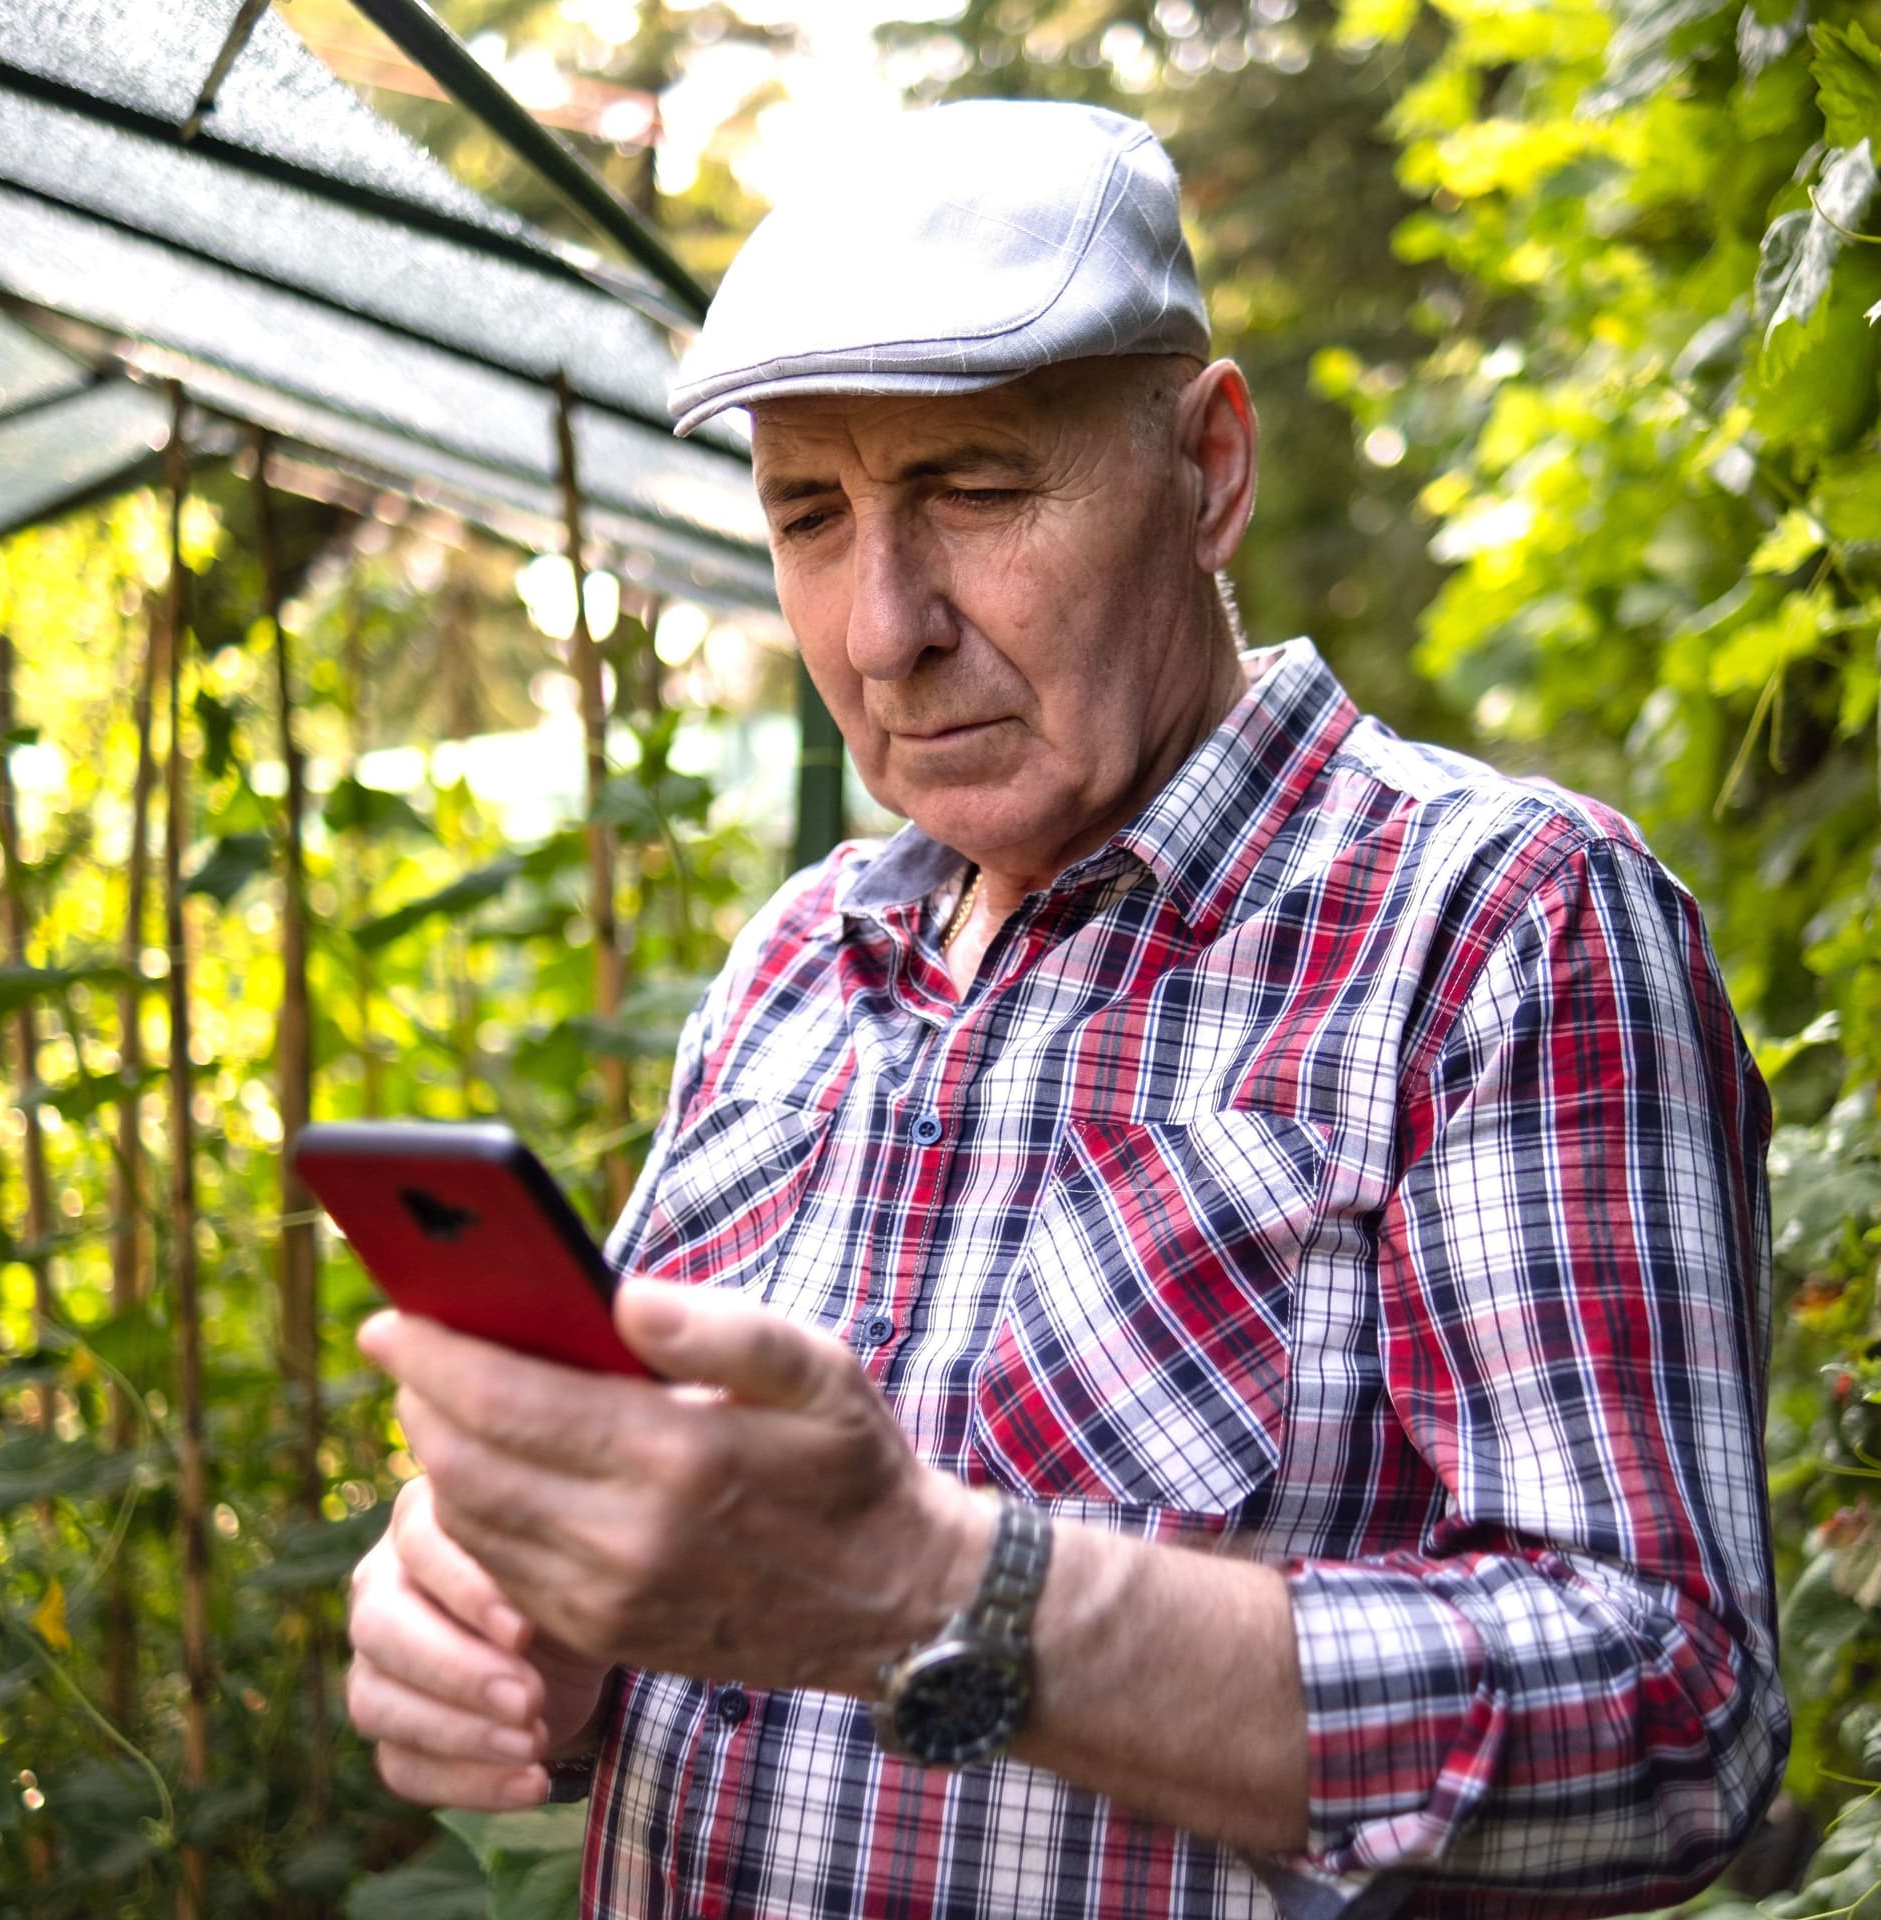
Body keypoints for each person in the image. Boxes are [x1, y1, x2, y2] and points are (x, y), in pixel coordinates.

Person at [344, 101, 1788, 1920]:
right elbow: (670, 1553)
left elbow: (1677, 1719)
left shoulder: (1497, 927)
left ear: (1208, 468)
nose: (881, 630)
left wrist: (948, 1594)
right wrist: (502, 1627)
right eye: (811, 512)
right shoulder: (798, 962)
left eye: (973, 489)